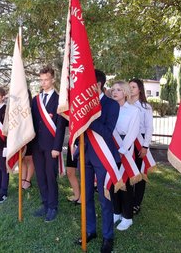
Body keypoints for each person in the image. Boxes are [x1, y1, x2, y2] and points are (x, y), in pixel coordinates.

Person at [76, 70, 120, 253]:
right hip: (84, 155)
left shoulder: (111, 105)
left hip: (103, 158)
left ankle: (108, 236)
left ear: (98, 84)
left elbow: (108, 132)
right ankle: (90, 230)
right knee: (86, 198)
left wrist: (89, 118)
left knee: (104, 200)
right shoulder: (83, 105)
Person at [31, 66, 66, 222]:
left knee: (50, 177)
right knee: (40, 176)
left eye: (46, 80)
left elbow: (60, 127)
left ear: (53, 80)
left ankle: (52, 206)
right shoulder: (35, 100)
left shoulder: (60, 100)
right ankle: (45, 203)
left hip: (51, 146)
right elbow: (31, 122)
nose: (43, 82)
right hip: (37, 145)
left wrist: (57, 147)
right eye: (41, 80)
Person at [111, 81, 140, 231]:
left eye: (119, 90)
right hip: (111, 147)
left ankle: (127, 217)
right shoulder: (109, 108)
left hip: (126, 149)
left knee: (126, 184)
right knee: (113, 181)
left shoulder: (134, 110)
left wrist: (122, 150)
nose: (115, 92)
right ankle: (116, 212)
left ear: (126, 93)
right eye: (113, 89)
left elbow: (133, 132)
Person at [129, 78, 153, 215]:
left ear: (139, 89)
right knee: (128, 171)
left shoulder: (145, 107)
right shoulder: (125, 104)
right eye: (129, 86)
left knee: (140, 173)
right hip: (128, 142)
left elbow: (149, 128)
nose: (131, 89)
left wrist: (145, 146)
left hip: (140, 142)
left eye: (134, 87)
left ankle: (136, 203)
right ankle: (127, 200)